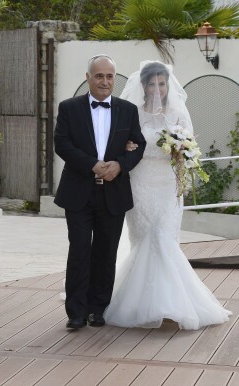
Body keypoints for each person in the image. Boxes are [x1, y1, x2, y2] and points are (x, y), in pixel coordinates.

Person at [103, 60, 232, 329]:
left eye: (162, 83)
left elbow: (190, 148)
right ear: (144, 85)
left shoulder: (177, 113)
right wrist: (127, 146)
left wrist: (181, 150)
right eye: (152, 84)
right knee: (144, 238)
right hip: (139, 181)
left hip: (167, 185)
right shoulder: (132, 112)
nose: (158, 89)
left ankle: (174, 304)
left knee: (165, 238)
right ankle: (138, 303)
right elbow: (121, 143)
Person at [54, 54, 147, 329]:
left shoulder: (128, 110)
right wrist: (94, 165)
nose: (104, 81)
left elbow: (139, 145)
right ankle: (76, 312)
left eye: (109, 76)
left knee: (106, 252)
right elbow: (62, 144)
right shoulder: (69, 108)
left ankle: (98, 309)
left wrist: (120, 165)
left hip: (113, 193)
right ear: (88, 78)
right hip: (78, 192)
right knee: (80, 250)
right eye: (99, 76)